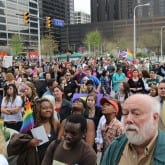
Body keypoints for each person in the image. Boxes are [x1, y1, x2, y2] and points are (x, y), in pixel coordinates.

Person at [101, 94, 165, 165]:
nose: (128, 119)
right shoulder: (115, 147)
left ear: (154, 118)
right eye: (125, 113)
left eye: (136, 114)